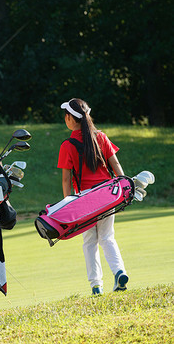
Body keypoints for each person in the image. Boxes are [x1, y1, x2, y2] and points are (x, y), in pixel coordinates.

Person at [58, 98, 129, 295]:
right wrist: (123, 188)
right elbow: (116, 165)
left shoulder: (67, 145)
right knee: (107, 237)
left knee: (90, 241)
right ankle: (119, 271)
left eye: (67, 115)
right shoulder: (102, 137)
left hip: (85, 201)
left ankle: (96, 285)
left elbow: (66, 180)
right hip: (108, 195)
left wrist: (68, 207)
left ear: (73, 119)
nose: (65, 118)